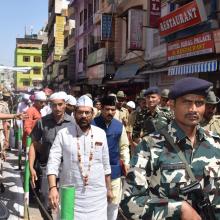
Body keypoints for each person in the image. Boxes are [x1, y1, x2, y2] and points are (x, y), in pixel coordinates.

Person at [121, 77, 220, 219]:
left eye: (199, 103)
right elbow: (128, 203)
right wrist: (178, 209)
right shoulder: (149, 146)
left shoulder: (216, 143)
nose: (193, 109)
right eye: (187, 102)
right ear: (172, 105)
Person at [47, 95, 112, 220]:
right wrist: (53, 188)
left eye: (87, 112)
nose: (83, 116)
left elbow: (106, 165)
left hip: (96, 197)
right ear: (74, 113)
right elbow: (53, 163)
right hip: (71, 195)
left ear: (92, 114)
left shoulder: (100, 134)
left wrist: (108, 189)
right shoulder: (63, 134)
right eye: (80, 112)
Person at [29, 92, 73, 219]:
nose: (57, 108)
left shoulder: (73, 123)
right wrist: (31, 167)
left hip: (67, 168)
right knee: (44, 200)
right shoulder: (42, 122)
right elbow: (33, 144)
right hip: (46, 167)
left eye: (60, 105)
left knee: (66, 202)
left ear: (65, 105)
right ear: (50, 105)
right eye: (54, 105)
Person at [92, 96, 130, 220]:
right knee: (97, 202)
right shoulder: (92, 124)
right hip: (95, 171)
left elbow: (124, 146)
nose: (110, 112)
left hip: (114, 171)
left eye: (113, 110)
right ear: (101, 109)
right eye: (107, 109)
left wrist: (126, 163)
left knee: (113, 202)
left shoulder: (119, 126)